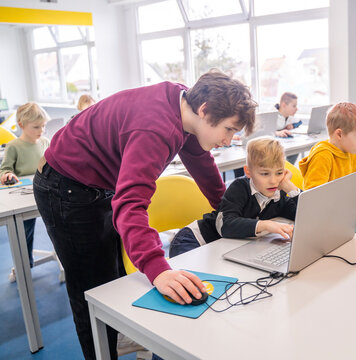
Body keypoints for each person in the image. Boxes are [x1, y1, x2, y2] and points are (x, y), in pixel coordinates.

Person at [33, 70, 257, 360]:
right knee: (92, 290)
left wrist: (230, 212)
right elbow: (130, 205)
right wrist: (158, 268)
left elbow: (200, 160)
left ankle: (112, 342)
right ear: (205, 111)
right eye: (228, 129)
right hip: (65, 186)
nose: (229, 140)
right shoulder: (156, 129)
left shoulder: (185, 105)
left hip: (97, 184)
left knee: (112, 280)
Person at [170, 137, 299, 258]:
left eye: (279, 173)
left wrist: (291, 188)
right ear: (248, 172)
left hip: (224, 248)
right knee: (191, 278)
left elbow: (306, 215)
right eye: (265, 174)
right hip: (194, 240)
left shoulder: (278, 194)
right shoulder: (239, 187)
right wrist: (265, 225)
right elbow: (226, 226)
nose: (273, 181)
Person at [1, 102, 49, 269]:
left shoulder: (45, 142)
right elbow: (5, 169)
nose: (41, 131)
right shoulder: (13, 146)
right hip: (23, 194)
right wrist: (7, 175)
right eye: (36, 127)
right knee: (24, 231)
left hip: (45, 191)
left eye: (43, 126)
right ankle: (24, 264)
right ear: (21, 125)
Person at [274, 92, 302, 165]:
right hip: (272, 145)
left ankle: (288, 168)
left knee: (295, 148)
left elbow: (300, 122)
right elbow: (263, 131)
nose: (296, 109)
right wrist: (277, 133)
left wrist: (293, 125)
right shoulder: (272, 115)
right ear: (284, 105)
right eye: (294, 106)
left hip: (284, 142)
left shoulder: (290, 116)